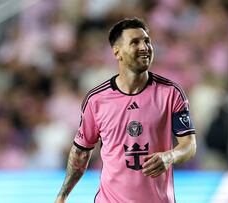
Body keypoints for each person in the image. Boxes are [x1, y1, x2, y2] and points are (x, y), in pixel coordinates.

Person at [55, 17, 197, 203]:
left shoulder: (170, 93)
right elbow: (81, 152)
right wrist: (62, 196)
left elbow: (189, 145)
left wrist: (170, 156)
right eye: (135, 42)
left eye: (147, 41)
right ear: (117, 52)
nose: (145, 47)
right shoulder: (97, 100)